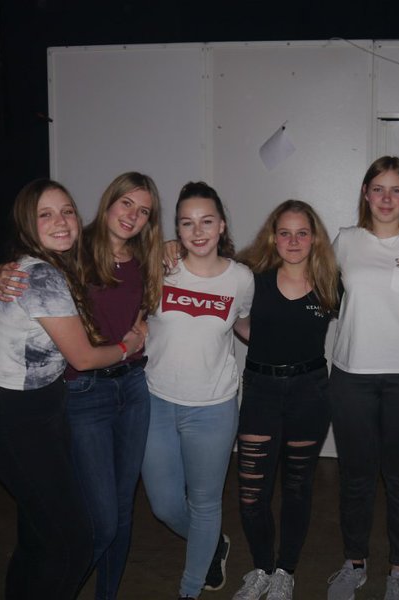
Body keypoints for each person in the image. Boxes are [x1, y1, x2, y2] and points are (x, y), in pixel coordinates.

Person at [0, 172, 165, 599]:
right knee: (91, 525)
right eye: (126, 203)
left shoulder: (149, 257)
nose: (132, 216)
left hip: (130, 389)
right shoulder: (72, 251)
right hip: (83, 392)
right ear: (108, 203)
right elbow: (22, 273)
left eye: (143, 211)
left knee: (118, 511)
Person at [326, 156, 399, 600]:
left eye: (396, 189)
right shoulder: (345, 241)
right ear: (365, 193)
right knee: (355, 476)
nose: (387, 198)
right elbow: (303, 275)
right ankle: (354, 562)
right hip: (352, 375)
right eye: (378, 189)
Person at [140, 181, 254, 600]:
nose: (198, 231)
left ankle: (190, 588)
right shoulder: (160, 267)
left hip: (212, 408)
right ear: (177, 229)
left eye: (207, 221)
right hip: (156, 401)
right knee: (165, 505)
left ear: (222, 225)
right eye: (187, 223)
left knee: (205, 503)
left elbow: (244, 324)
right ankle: (214, 542)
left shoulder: (241, 279)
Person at [229, 200, 340, 600]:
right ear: (273, 237)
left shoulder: (331, 282)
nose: (293, 241)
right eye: (285, 233)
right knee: (251, 493)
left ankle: (284, 572)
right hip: (261, 389)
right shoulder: (251, 278)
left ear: (314, 238)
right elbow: (235, 315)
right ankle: (261, 567)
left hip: (310, 392)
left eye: (302, 233)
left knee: (296, 488)